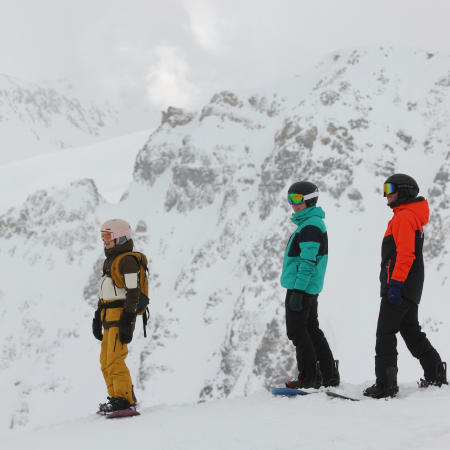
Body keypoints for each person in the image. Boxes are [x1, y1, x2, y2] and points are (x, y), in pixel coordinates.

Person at [364, 174, 447, 399]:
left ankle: (385, 385)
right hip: (410, 287)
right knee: (410, 331)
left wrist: (395, 284)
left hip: (400, 286)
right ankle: (435, 373)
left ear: (404, 191)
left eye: (390, 188)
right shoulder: (411, 217)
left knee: (385, 333)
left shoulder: (404, 217)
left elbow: (405, 254)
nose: (386, 193)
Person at [281, 181, 339, 389]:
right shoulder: (310, 223)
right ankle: (328, 375)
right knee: (311, 329)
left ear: (309, 199)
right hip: (306, 287)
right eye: (290, 199)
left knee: (297, 331)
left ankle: (309, 377)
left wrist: (297, 290)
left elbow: (307, 261)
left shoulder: (311, 226)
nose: (293, 204)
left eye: (297, 199)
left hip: (301, 287)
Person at [92, 219, 142, 416]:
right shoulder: (110, 261)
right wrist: (97, 316)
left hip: (120, 316)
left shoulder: (127, 261)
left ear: (120, 238)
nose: (104, 241)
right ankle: (116, 398)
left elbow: (133, 291)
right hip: (107, 316)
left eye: (108, 237)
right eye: (102, 236)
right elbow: (106, 292)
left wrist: (128, 320)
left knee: (115, 359)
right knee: (105, 360)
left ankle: (125, 400)